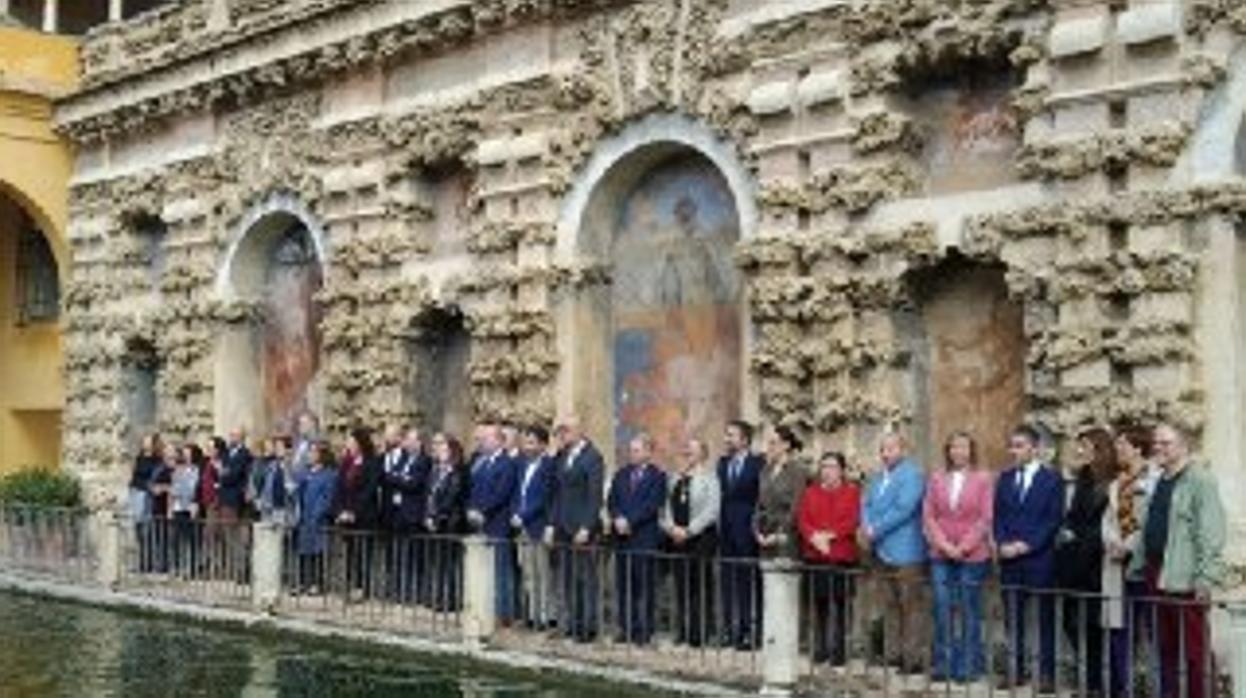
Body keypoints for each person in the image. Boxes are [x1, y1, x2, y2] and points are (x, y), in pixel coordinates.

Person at [1128, 423, 1226, 698]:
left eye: (1165, 443)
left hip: (1184, 575)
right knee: (1163, 646)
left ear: (1184, 446)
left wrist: (1205, 577)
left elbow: (1211, 532)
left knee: (1195, 650)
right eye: (1155, 442)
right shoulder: (1160, 479)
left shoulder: (1200, 480)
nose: (1157, 447)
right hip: (1154, 571)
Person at [994, 424, 1064, 691]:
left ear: (1035, 448)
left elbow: (1052, 519)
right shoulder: (1006, 478)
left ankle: (1046, 674)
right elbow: (998, 516)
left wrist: (1026, 545)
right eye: (1012, 445)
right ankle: (1015, 670)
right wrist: (1001, 543)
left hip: (1039, 559)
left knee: (1045, 617)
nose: (1014, 451)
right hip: (1009, 559)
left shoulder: (1052, 479)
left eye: (1020, 445)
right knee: (1013, 616)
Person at [923, 431, 994, 683]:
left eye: (963, 447)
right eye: (953, 447)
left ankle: (968, 666)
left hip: (973, 556)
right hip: (940, 554)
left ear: (971, 451)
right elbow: (929, 515)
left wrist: (963, 547)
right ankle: (943, 664)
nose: (958, 452)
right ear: (948, 451)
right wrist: (944, 545)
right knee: (941, 608)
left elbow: (985, 518)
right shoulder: (936, 478)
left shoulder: (983, 479)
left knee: (968, 610)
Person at [860, 431, 927, 675]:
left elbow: (904, 508)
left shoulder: (912, 475)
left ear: (903, 449)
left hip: (906, 550)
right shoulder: (877, 478)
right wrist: (866, 525)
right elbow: (865, 503)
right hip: (881, 549)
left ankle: (913, 658)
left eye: (891, 448)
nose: (886, 453)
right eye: (883, 449)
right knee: (888, 604)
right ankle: (893, 653)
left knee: (910, 605)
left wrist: (875, 529)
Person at [1056, 428, 1113, 695]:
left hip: (1097, 566)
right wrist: (1067, 530)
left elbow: (1103, 524)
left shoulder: (1110, 481)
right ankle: (1091, 681)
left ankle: (1097, 685)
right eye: (1079, 446)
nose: (1080, 451)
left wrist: (1079, 536)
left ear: (1099, 449)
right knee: (1070, 621)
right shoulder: (1084, 477)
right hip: (1075, 564)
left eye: (1086, 446)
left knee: (1094, 627)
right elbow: (1074, 515)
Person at [1105, 424, 1158, 697]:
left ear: (1138, 448)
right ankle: (1121, 688)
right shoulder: (1117, 483)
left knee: (1151, 628)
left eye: (1122, 445)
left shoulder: (1154, 480)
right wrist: (1111, 541)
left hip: (1143, 565)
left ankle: (1156, 688)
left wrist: (1128, 546)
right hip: (1116, 565)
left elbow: (1150, 522)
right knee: (1119, 627)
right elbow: (1108, 519)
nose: (1118, 450)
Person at [544, 416, 605, 643]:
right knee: (567, 579)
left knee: (585, 579)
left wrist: (587, 527)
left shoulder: (592, 457)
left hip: (581, 529)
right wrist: (551, 523)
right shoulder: (561, 456)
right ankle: (571, 623)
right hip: (562, 526)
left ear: (579, 431)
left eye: (566, 430)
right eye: (560, 431)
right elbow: (555, 493)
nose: (563, 434)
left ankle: (588, 627)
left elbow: (595, 495)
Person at [798, 451, 860, 667]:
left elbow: (853, 520)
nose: (827, 471)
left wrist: (830, 535)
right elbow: (803, 519)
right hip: (815, 555)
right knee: (818, 604)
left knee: (841, 606)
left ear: (841, 470)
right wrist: (814, 537)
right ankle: (820, 647)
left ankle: (840, 651)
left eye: (832, 466)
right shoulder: (810, 493)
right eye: (824, 466)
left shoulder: (852, 492)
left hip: (841, 555)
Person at [607, 433, 667, 645]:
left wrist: (630, 521)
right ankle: (626, 628)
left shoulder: (658, 476)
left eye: (636, 450)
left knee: (645, 587)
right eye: (631, 450)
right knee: (624, 586)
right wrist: (616, 518)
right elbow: (612, 501)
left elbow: (652, 505)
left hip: (644, 538)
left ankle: (645, 630)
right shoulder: (621, 474)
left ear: (648, 452)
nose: (632, 454)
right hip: (622, 540)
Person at [661, 438, 721, 648]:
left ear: (702, 455)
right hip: (677, 540)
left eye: (692, 450)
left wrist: (689, 530)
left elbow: (712, 511)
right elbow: (665, 507)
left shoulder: (709, 479)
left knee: (700, 587)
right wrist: (671, 528)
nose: (687, 453)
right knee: (681, 586)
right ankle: (683, 630)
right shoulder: (675, 478)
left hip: (700, 539)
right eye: (686, 450)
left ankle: (700, 633)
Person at [717, 419, 764, 650]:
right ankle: (728, 629)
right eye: (726, 434)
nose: (727, 439)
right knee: (727, 581)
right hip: (725, 530)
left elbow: (759, 498)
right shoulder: (722, 463)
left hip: (747, 530)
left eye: (731, 435)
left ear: (744, 440)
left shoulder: (757, 464)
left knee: (748, 582)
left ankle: (749, 631)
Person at [466, 421, 519, 623]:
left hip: (498, 523)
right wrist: (471, 509)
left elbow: (502, 493)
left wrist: (482, 510)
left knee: (501, 570)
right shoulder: (481, 463)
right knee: (484, 570)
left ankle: (504, 612)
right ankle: (485, 607)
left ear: (498, 440)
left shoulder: (507, 463)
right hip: (480, 523)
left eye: (487, 438)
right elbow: (472, 489)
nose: (482, 442)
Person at [511, 425, 556, 629]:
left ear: (543, 444)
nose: (527, 447)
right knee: (528, 572)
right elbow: (518, 493)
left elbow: (544, 497)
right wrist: (515, 513)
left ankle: (547, 615)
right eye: (525, 442)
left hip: (537, 524)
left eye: (531, 443)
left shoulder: (549, 465)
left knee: (542, 572)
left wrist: (524, 515)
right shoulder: (522, 464)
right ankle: (532, 613)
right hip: (522, 526)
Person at [382, 427, 431, 602]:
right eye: (407, 439)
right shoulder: (403, 458)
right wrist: (401, 478)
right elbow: (388, 476)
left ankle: (414, 594)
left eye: (412, 439)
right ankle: (399, 592)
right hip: (398, 513)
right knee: (399, 555)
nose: (408, 443)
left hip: (413, 515)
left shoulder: (424, 461)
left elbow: (414, 484)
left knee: (414, 557)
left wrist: (398, 478)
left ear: (419, 442)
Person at [336, 427, 382, 598]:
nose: (347, 443)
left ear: (359, 443)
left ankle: (362, 587)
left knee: (363, 554)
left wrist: (354, 511)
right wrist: (341, 510)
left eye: (350, 440)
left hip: (364, 516)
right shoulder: (346, 462)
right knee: (350, 554)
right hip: (346, 516)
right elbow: (339, 488)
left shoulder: (372, 462)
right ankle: (350, 586)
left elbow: (369, 490)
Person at [424, 432, 467, 611]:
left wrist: (438, 516)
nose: (440, 451)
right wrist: (428, 516)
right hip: (434, 522)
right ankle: (438, 597)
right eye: (439, 448)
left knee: (450, 564)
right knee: (438, 562)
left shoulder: (457, 472)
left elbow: (452, 497)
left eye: (444, 448)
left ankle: (451, 600)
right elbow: (429, 495)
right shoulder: (435, 471)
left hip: (450, 523)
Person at [755, 425, 807, 561]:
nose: (769, 447)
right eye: (768, 443)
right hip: (765, 539)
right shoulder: (765, 471)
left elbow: (796, 507)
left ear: (786, 445)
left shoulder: (798, 471)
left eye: (773, 442)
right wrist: (757, 531)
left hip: (786, 540)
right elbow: (759, 505)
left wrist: (779, 534)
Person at [294, 440, 338, 594]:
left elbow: (327, 496)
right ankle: (302, 582)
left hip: (318, 518)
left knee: (317, 551)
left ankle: (317, 583)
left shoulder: (329, 474)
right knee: (303, 551)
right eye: (309, 451)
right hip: (304, 517)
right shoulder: (305, 473)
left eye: (313, 452)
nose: (309, 455)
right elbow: (297, 490)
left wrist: (318, 513)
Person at [128, 433, 162, 573]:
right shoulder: (139, 458)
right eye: (144, 441)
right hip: (136, 494)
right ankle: (142, 562)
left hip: (146, 496)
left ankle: (149, 563)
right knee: (139, 529)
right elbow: (134, 478)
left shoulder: (157, 460)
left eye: (148, 441)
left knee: (148, 530)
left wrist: (147, 486)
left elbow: (152, 479)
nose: (145, 444)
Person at [170, 443, 203, 577]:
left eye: (188, 453)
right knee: (176, 539)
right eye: (184, 453)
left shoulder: (197, 470)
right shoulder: (178, 470)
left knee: (191, 538)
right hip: (179, 506)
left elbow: (195, 488)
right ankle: (177, 566)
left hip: (190, 507)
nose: (185, 455)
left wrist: (195, 502)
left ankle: (193, 568)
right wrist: (171, 507)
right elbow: (174, 489)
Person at [216, 427, 252, 522]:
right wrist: (224, 472)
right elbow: (219, 471)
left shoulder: (245, 454)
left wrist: (224, 472)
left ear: (241, 437)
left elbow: (234, 475)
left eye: (235, 435)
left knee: (233, 528)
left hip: (234, 496)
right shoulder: (225, 452)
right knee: (225, 529)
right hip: (223, 496)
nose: (232, 438)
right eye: (231, 435)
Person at [251, 436, 289, 524]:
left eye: (280, 447)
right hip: (269, 503)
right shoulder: (272, 464)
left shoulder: (289, 464)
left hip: (282, 505)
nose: (278, 450)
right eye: (276, 447)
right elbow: (265, 483)